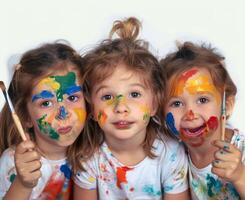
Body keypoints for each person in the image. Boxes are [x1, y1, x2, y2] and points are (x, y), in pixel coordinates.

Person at [73, 17, 189, 200]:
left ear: (154, 103)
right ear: (91, 107)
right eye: (107, 97)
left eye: (134, 95)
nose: (121, 108)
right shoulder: (88, 157)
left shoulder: (171, 154)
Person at [0, 42, 87, 199]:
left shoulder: (93, 153)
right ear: (26, 117)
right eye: (46, 103)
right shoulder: (16, 163)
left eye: (72, 97)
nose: (63, 113)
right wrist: (23, 183)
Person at [160, 41, 245, 199]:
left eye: (202, 100)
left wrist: (240, 175)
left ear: (226, 105)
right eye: (177, 103)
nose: (190, 114)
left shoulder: (241, 150)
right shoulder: (174, 154)